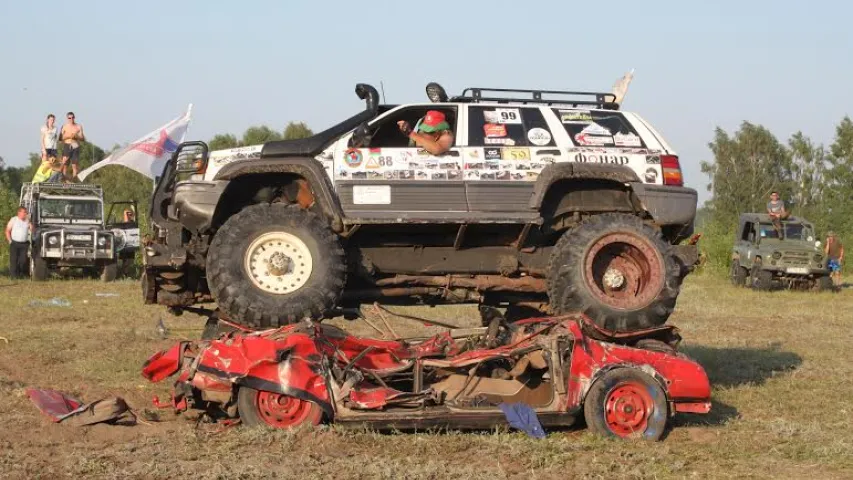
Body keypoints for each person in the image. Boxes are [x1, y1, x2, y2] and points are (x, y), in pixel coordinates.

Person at [5, 207, 32, 279]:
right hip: (14, 243)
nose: (25, 214)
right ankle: (13, 276)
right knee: (13, 260)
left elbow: (32, 230)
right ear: (19, 212)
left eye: (26, 212)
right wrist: (10, 241)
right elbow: (7, 231)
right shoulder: (14, 220)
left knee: (23, 260)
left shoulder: (27, 221)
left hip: (24, 244)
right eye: (24, 212)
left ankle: (20, 273)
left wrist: (31, 225)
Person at [60, 111, 85, 179]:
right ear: (67, 118)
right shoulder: (64, 126)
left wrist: (76, 136)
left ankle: (74, 180)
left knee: (74, 165)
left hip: (75, 146)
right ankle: (64, 180)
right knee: (65, 164)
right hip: (67, 145)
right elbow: (60, 138)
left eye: (72, 117)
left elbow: (83, 138)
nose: (71, 119)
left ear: (74, 118)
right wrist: (68, 136)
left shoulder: (78, 126)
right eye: (69, 118)